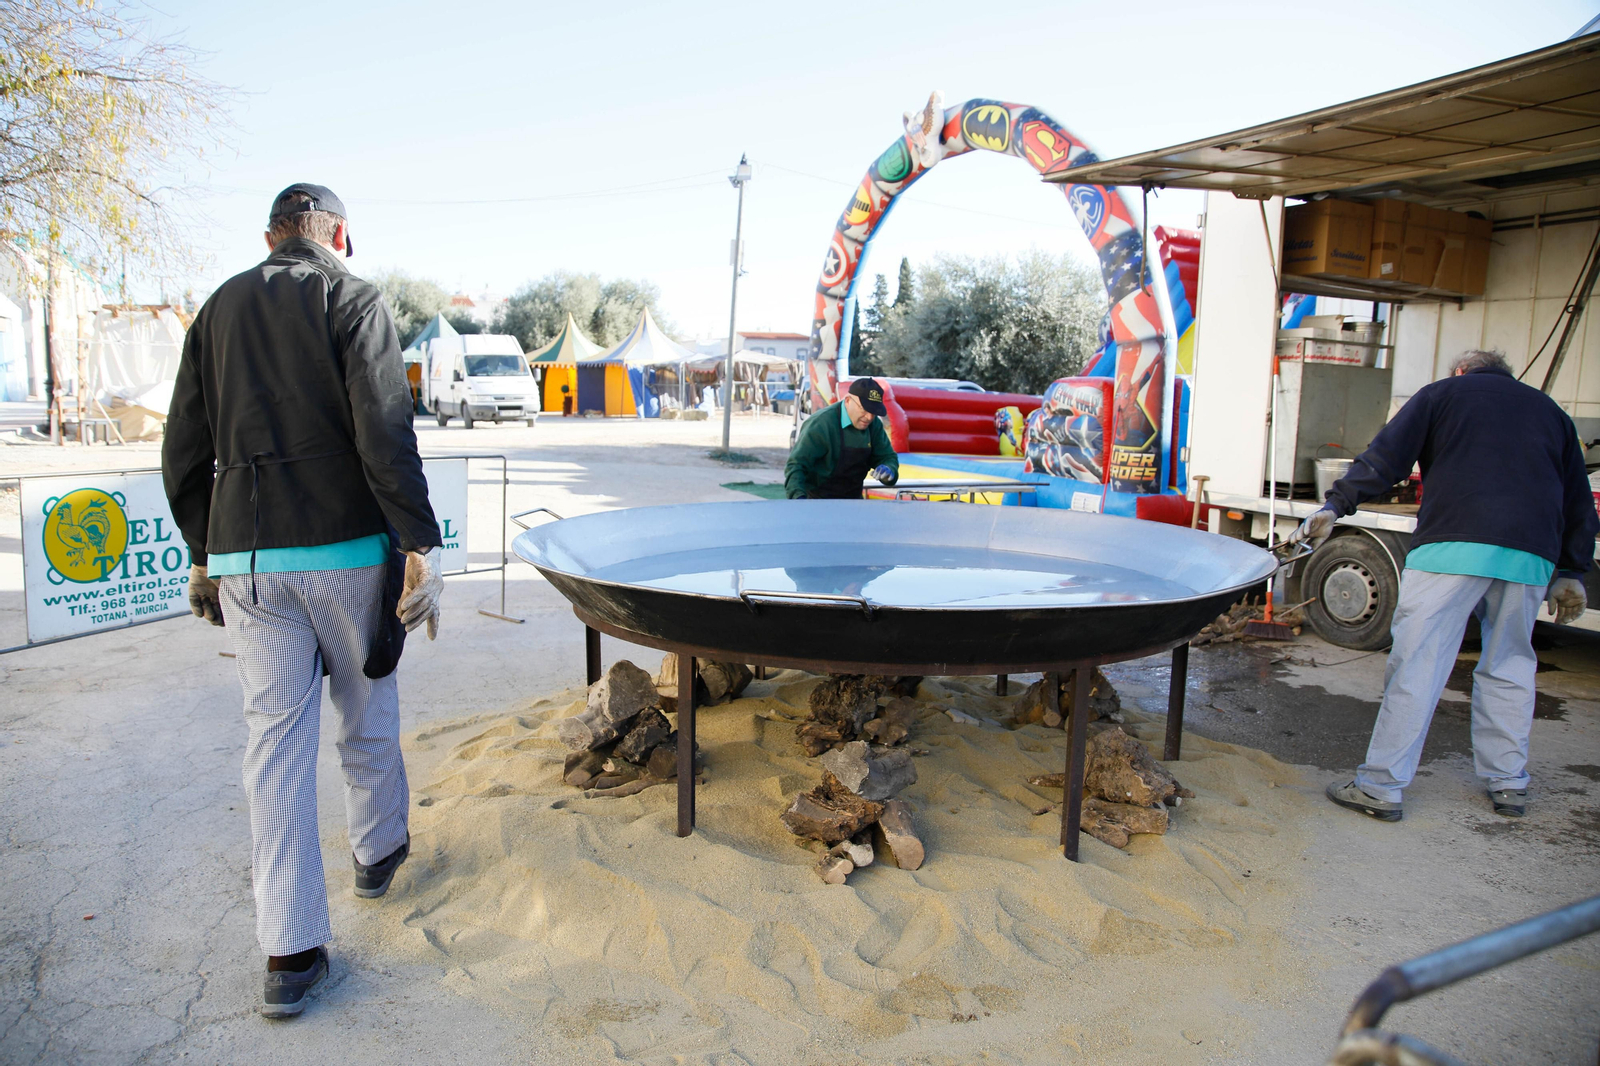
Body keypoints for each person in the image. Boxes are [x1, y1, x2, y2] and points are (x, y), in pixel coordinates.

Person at [162, 183, 445, 1019]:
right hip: (345, 549)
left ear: (270, 239)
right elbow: (385, 428)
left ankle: (289, 954)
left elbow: (183, 448)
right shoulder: (352, 297)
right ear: (339, 236)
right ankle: (376, 856)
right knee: (366, 705)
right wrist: (419, 543)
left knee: (274, 747)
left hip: (248, 560)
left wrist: (203, 554)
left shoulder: (216, 310)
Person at [1287, 349, 1596, 822]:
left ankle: (1381, 787)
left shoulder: (1441, 395)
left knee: (1419, 663)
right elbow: (1578, 497)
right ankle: (1508, 783)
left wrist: (1336, 504)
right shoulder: (1550, 412)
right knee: (1510, 664)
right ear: (1507, 376)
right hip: (1530, 554)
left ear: (1461, 371)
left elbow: (1386, 458)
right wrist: (1572, 571)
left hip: (1452, 545)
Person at [784, 377, 900, 499]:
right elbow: (796, 465)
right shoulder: (821, 424)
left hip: (853, 500)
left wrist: (889, 470)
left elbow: (887, 457)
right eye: (864, 409)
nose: (869, 417)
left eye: (873, 411)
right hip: (817, 501)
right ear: (848, 401)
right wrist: (798, 499)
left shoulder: (874, 425)